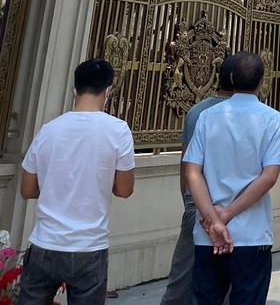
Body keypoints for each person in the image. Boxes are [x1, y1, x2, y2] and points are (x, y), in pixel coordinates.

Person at [17, 59, 135, 305]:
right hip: (89, 248)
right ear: (108, 91)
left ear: (74, 90)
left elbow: (27, 189)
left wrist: (55, 186)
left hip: (44, 244)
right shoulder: (118, 130)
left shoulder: (49, 129)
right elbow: (124, 190)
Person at [183, 51, 280, 305]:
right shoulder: (272, 119)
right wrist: (226, 215)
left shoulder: (207, 117)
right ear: (263, 82)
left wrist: (213, 219)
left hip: (208, 234)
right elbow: (269, 176)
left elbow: (192, 172)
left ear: (229, 78)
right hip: (252, 234)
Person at [159, 56, 236, 305]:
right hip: (234, 209)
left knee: (182, 280)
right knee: (229, 282)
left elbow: (186, 166)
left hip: (198, 208)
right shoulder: (256, 115)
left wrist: (191, 204)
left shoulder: (197, 111)